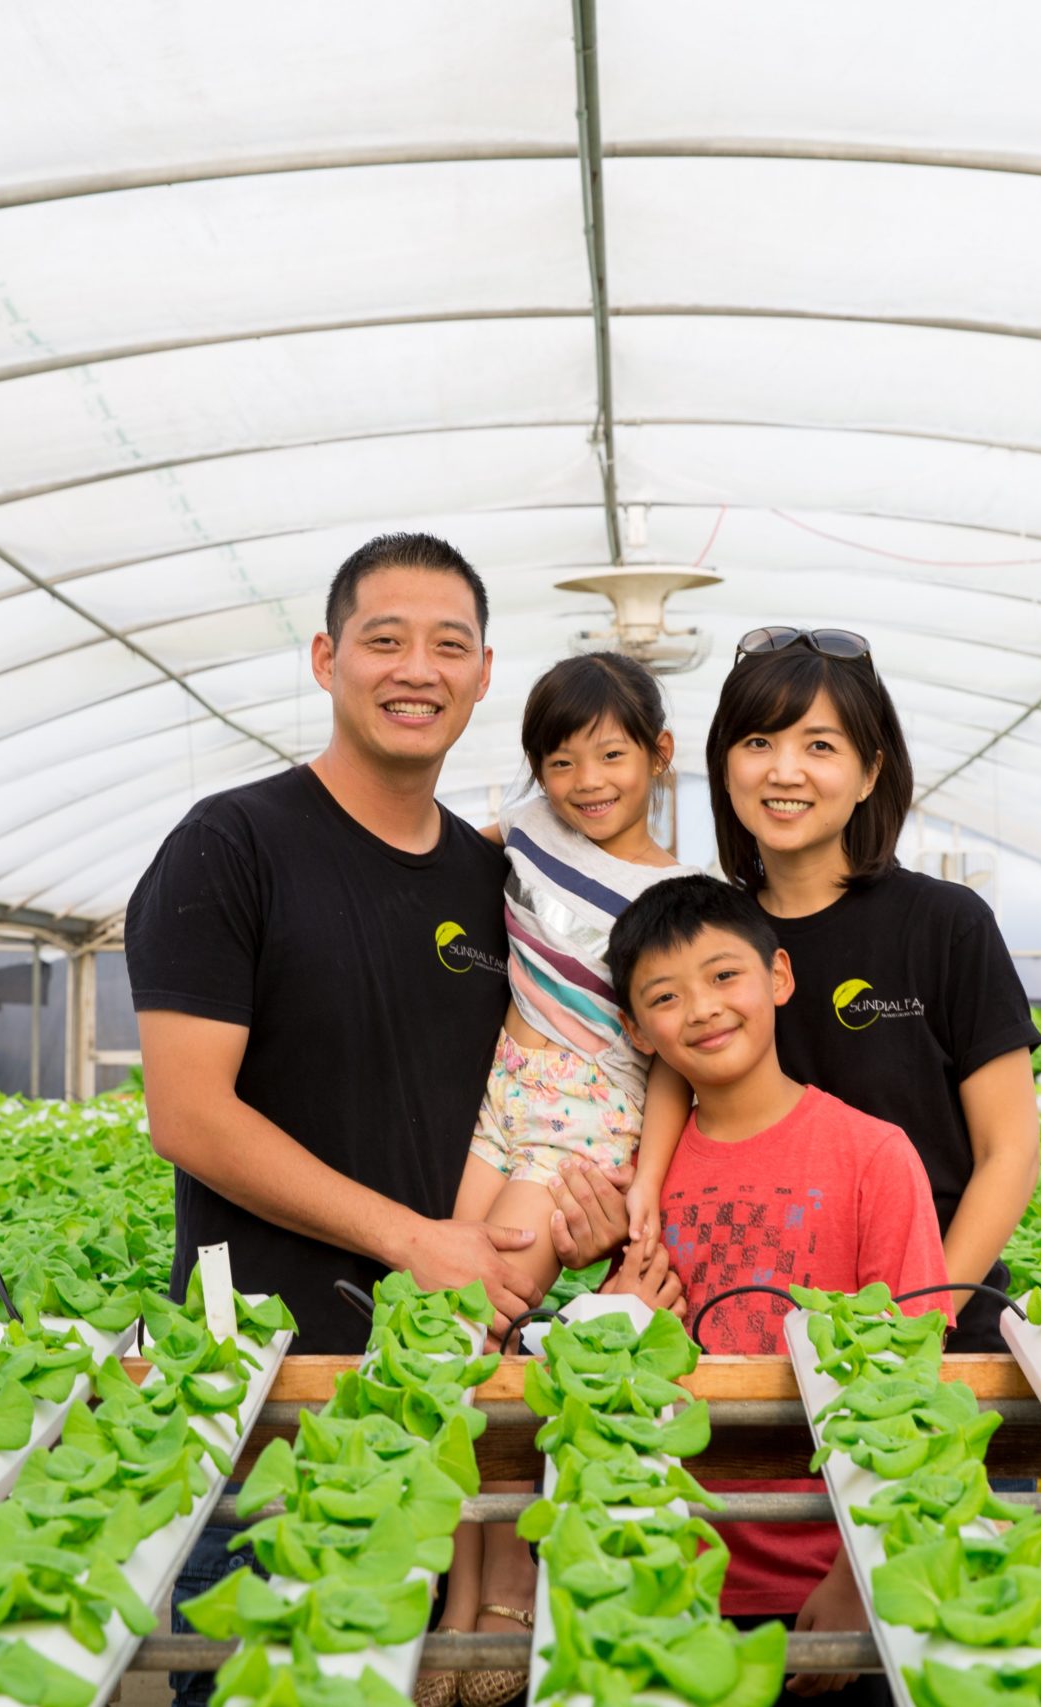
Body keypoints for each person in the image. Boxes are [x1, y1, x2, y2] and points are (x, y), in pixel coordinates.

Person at [127, 533, 535, 1707]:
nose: (418, 669)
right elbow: (189, 1117)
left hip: (451, 1396)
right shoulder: (232, 845)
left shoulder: (487, 884)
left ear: (483, 672)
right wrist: (416, 1243)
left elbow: (529, 1108)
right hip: (269, 1396)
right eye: (385, 639)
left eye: (448, 645)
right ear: (326, 657)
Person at [428, 652, 698, 1707]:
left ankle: (509, 1588)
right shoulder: (526, 832)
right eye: (561, 758)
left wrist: (647, 1188)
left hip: (587, 1120)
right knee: (442, 1318)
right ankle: (463, 1589)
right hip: (501, 1096)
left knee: (491, 1305)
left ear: (658, 754)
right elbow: (452, 869)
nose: (587, 778)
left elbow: (674, 1059)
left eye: (612, 754)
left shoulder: (685, 895)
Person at [606, 875, 947, 1703]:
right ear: (635, 1029)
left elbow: (912, 1385)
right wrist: (619, 1312)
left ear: (779, 978)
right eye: (665, 994)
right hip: (669, 1584)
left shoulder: (873, 1155)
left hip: (831, 1584)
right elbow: (595, 1382)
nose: (703, 1007)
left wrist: (853, 1573)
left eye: (726, 975)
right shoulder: (634, 1183)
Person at [705, 628, 1041, 1355]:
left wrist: (916, 1319)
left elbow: (1009, 1149)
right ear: (724, 766)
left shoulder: (945, 925)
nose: (784, 771)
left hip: (940, 1341)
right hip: (755, 1338)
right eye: (758, 742)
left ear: (869, 772)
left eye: (820, 746)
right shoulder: (707, 940)